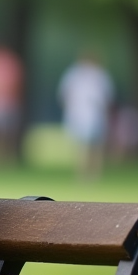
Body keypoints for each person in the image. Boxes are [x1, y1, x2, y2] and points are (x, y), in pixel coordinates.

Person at [57, 52, 114, 181]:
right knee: (82, 147)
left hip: (95, 115)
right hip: (79, 115)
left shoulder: (99, 75)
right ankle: (83, 175)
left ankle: (93, 175)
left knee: (95, 147)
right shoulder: (74, 74)